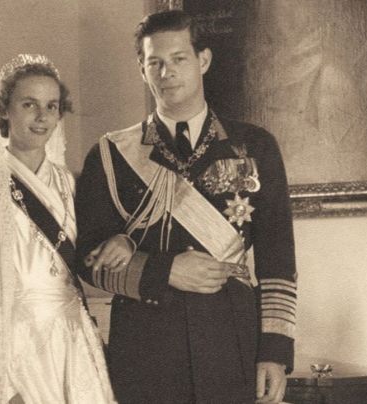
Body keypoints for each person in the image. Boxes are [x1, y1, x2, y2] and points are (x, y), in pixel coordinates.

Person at [75, 10, 297, 404]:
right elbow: (88, 261)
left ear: (203, 60)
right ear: (142, 69)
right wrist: (164, 271)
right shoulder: (110, 155)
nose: (167, 73)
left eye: (178, 59)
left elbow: (277, 258)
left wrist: (274, 353)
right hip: (144, 349)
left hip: (230, 342)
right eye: (154, 63)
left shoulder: (255, 146)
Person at [0, 54, 115, 404]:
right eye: (29, 104)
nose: (42, 116)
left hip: (73, 339)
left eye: (51, 106)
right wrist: (2, 382)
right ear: (3, 110)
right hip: (16, 345)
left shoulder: (69, 182)